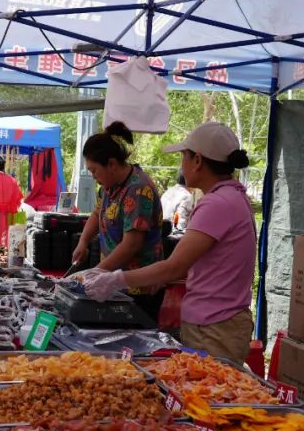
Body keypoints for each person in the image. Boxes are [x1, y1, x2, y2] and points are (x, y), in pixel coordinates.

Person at [83, 123, 256, 363]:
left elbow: (173, 266)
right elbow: (204, 265)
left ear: (197, 160)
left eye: (183, 156)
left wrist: (115, 279)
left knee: (210, 396)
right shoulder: (230, 197)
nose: (180, 163)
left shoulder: (217, 204)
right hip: (216, 322)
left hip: (215, 327)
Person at [71, 122, 165, 321]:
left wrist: (95, 273)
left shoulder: (138, 189)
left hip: (139, 289)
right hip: (112, 281)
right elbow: (97, 213)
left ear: (112, 164)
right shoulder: (108, 186)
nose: (94, 177)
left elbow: (132, 245)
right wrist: (83, 241)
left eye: (95, 170)